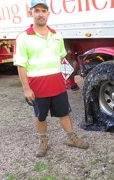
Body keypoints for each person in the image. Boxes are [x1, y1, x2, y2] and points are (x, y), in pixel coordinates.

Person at [13, 0, 89, 157]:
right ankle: (43, 141)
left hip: (57, 84)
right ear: (31, 13)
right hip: (37, 86)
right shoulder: (23, 38)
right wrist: (26, 88)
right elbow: (21, 65)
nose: (40, 14)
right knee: (40, 116)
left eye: (43, 10)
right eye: (37, 11)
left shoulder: (57, 36)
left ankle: (71, 138)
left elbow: (61, 58)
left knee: (64, 113)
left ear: (48, 13)